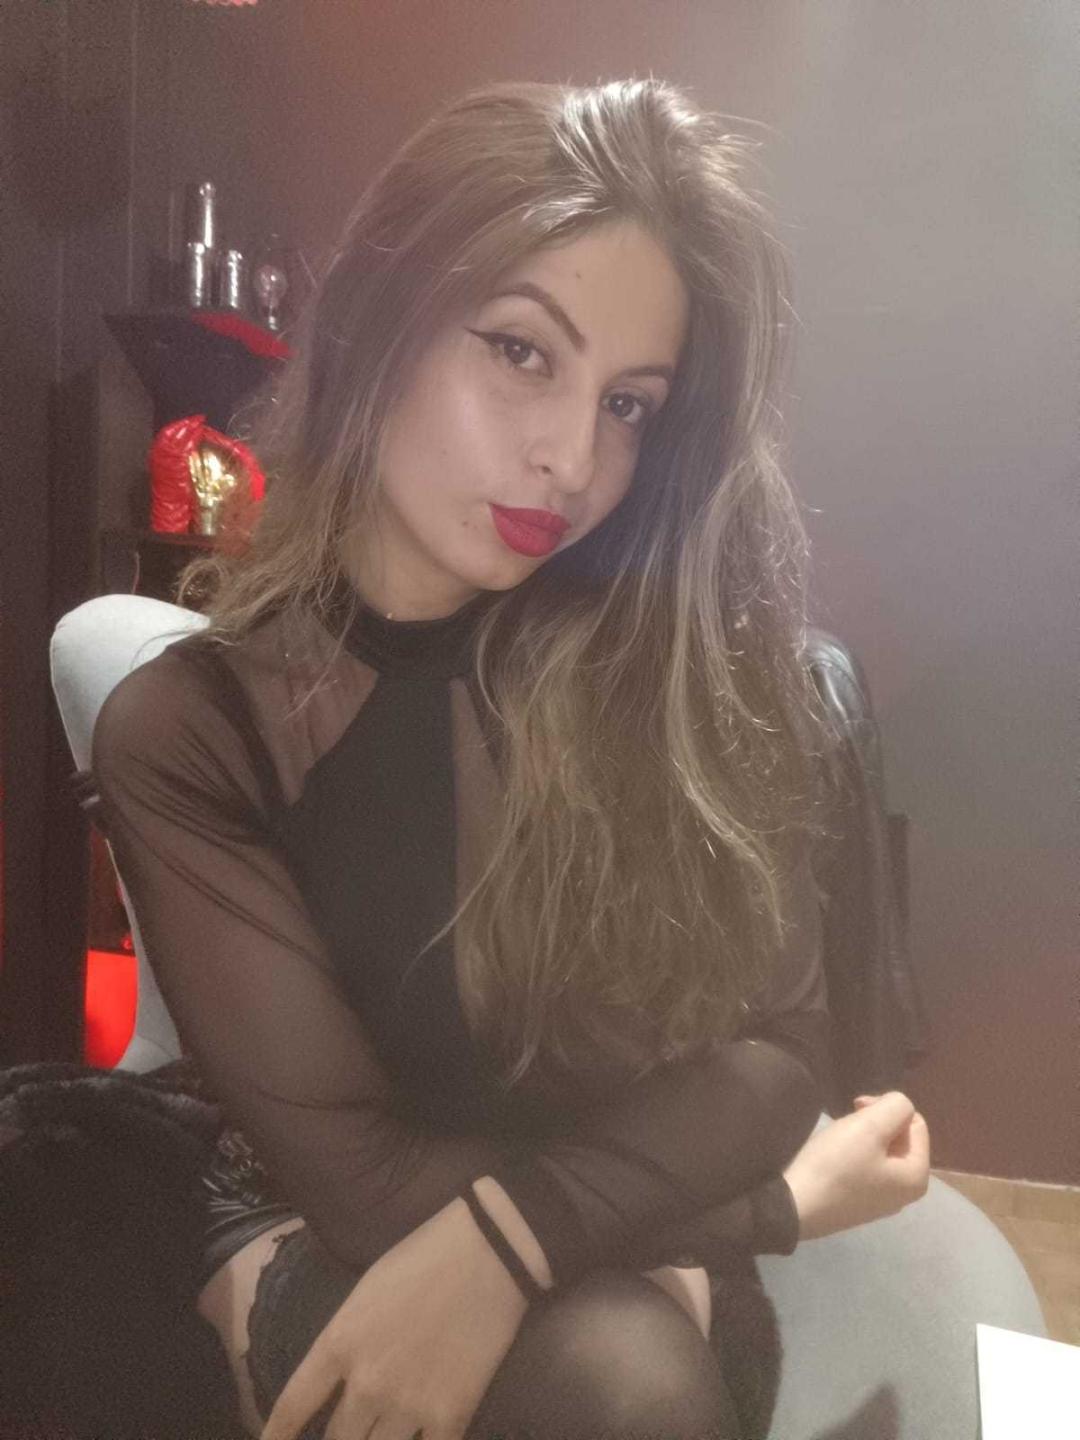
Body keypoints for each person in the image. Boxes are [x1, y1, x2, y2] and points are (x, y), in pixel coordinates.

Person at [82, 77, 929, 1440]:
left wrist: (519, 1238)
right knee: (619, 1379)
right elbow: (362, 1178)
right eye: (524, 353)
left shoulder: (668, 671)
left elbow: (782, 1051)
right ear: (378, 326)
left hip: (612, 1213)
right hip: (345, 1214)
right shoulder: (195, 731)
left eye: (630, 404)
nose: (572, 458)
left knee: (627, 1373)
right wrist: (775, 1206)